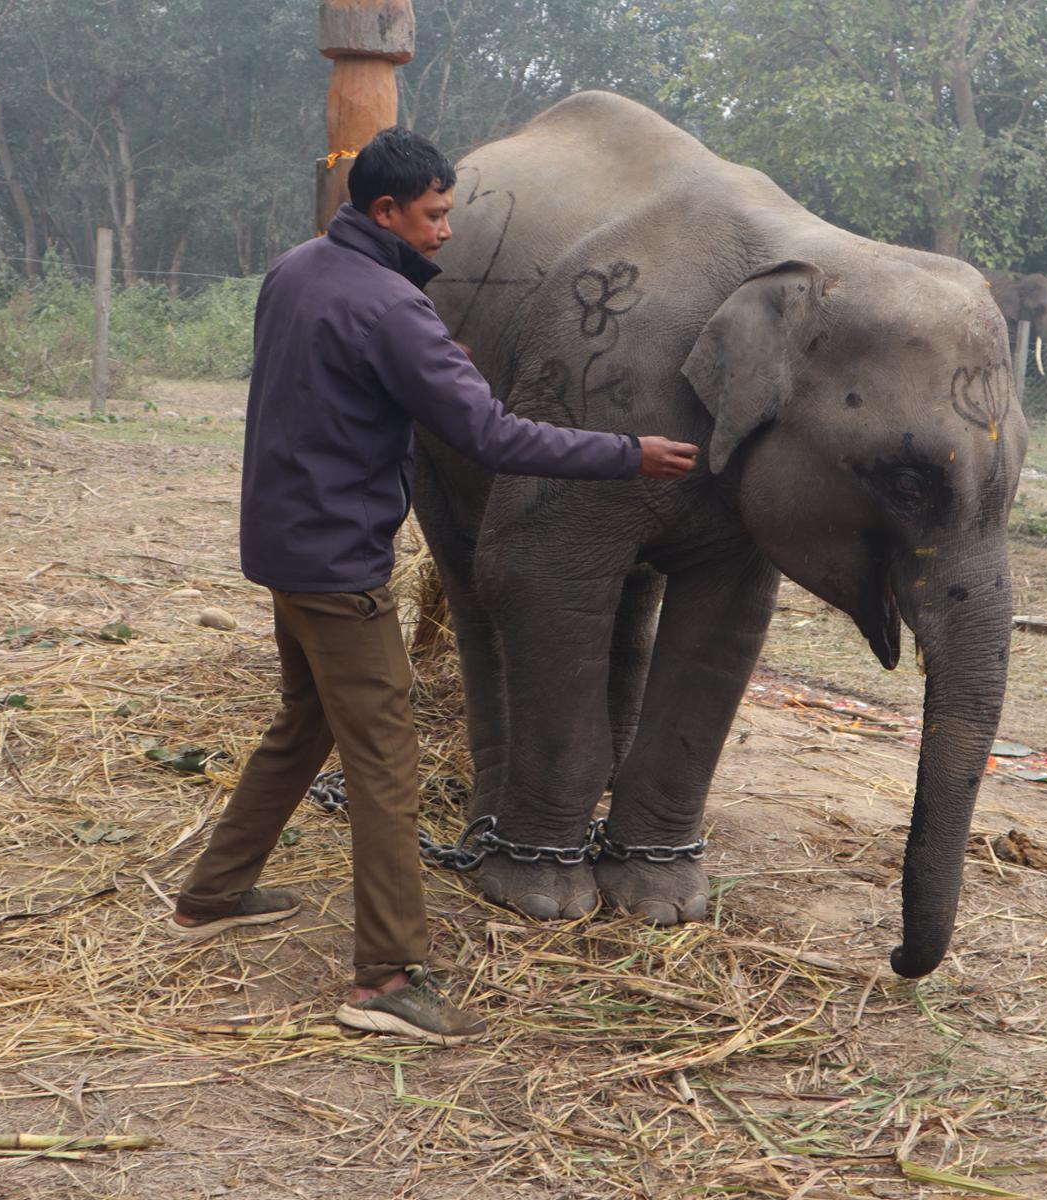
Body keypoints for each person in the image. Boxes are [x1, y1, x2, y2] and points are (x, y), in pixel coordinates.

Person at [167, 127, 700, 1045]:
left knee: (306, 724)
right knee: (386, 768)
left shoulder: (297, 269)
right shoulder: (393, 309)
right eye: (435, 214)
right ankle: (383, 980)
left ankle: (215, 891)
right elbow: (493, 435)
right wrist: (628, 454)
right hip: (341, 566)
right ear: (387, 212)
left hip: (283, 546)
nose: (448, 231)